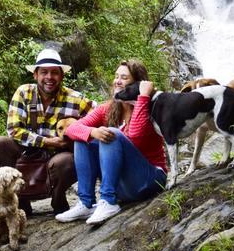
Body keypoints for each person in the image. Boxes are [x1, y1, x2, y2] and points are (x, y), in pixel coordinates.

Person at [56, 59, 167, 225]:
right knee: (84, 138)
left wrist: (143, 96)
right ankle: (86, 203)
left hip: (151, 179)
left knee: (111, 134)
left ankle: (108, 201)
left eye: (124, 78)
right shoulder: (107, 108)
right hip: (125, 186)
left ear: (137, 83)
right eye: (116, 76)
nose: (117, 81)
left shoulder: (151, 105)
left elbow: (135, 136)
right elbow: (72, 129)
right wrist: (93, 131)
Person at [0, 48, 94, 216]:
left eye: (54, 73)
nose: (49, 77)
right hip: (27, 151)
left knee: (66, 162)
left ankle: (58, 198)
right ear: (35, 75)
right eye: (44, 72)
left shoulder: (76, 99)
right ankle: (20, 201)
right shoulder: (23, 92)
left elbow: (99, 116)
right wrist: (46, 141)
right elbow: (14, 130)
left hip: (58, 156)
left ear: (61, 76)